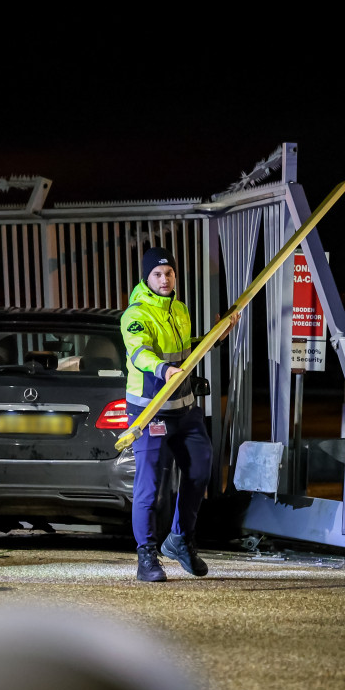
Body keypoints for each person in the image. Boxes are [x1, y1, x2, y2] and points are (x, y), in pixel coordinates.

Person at [120, 247, 239, 582]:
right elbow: (139, 353)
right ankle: (146, 557)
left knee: (200, 470)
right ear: (146, 277)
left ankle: (180, 540)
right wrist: (163, 369)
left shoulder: (180, 309)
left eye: (169, 272)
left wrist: (216, 336)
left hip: (185, 410)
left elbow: (188, 349)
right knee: (150, 487)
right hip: (151, 412)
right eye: (157, 274)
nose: (164, 278)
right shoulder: (136, 314)